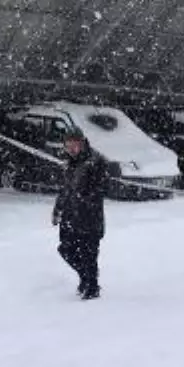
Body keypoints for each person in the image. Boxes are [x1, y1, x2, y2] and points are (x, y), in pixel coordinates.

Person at [52, 128, 108, 300]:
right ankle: (86, 277)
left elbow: (103, 188)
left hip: (90, 219)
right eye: (69, 146)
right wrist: (57, 210)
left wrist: (85, 197)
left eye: (75, 145)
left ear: (83, 143)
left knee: (88, 254)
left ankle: (92, 287)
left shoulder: (96, 161)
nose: (72, 150)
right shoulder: (69, 163)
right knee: (65, 249)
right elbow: (65, 189)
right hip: (70, 217)